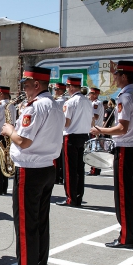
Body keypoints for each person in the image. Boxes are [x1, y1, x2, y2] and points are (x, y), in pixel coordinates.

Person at [0, 67, 65, 265]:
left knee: (26, 225)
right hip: (47, 168)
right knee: (40, 224)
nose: (23, 88)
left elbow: (24, 142)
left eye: (26, 84)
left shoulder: (35, 107)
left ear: (37, 85)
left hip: (30, 168)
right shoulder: (55, 105)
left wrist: (9, 130)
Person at [91, 61, 133, 248]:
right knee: (129, 193)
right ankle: (130, 234)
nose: (114, 77)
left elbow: (122, 129)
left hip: (126, 149)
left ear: (124, 76)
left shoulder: (125, 98)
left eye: (116, 74)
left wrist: (101, 130)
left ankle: (126, 237)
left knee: (123, 194)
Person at [57, 77, 92, 207]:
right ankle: (78, 196)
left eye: (67, 87)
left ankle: (71, 198)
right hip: (84, 136)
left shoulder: (70, 102)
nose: (66, 89)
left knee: (69, 169)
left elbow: (66, 123)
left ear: (71, 87)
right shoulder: (88, 101)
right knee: (80, 169)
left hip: (71, 136)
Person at [87, 87, 105, 176]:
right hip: (96, 128)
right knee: (96, 149)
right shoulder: (96, 103)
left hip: (95, 128)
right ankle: (96, 169)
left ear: (94, 94)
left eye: (90, 93)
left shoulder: (96, 103)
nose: (89, 95)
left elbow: (96, 116)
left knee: (94, 150)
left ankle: (94, 170)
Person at [53, 82, 68, 185]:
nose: (55, 91)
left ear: (60, 91)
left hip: (57, 131)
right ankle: (61, 176)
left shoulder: (58, 102)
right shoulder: (67, 101)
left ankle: (56, 177)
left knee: (56, 156)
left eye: (56, 90)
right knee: (62, 156)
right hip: (64, 131)